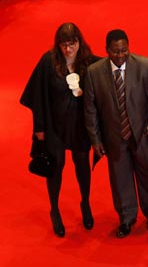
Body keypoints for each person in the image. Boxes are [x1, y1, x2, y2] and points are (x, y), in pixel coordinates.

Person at [20, 22, 99, 237]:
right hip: (55, 126)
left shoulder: (88, 61)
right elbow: (38, 95)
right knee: (56, 168)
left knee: (82, 164)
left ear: (79, 42)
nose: (68, 49)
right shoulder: (48, 61)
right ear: (58, 45)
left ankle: (85, 203)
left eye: (72, 44)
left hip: (80, 126)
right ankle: (54, 210)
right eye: (64, 45)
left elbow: (106, 71)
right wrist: (39, 128)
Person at [84, 29, 148, 238]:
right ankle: (126, 219)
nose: (120, 55)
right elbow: (90, 109)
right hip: (114, 137)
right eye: (116, 51)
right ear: (107, 50)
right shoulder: (94, 72)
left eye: (124, 50)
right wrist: (96, 140)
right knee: (120, 181)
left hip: (143, 134)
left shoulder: (144, 65)